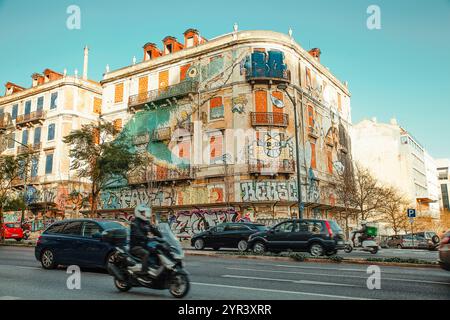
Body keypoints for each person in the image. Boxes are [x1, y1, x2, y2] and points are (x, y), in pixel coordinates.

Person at [130, 204, 162, 276]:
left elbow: (153, 229)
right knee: (145, 253)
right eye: (144, 212)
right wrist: (147, 238)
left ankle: (157, 267)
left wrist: (161, 235)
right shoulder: (135, 223)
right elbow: (137, 233)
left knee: (159, 248)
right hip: (136, 246)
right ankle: (144, 271)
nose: (145, 214)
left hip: (145, 243)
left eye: (146, 212)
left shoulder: (146, 222)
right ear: (139, 212)